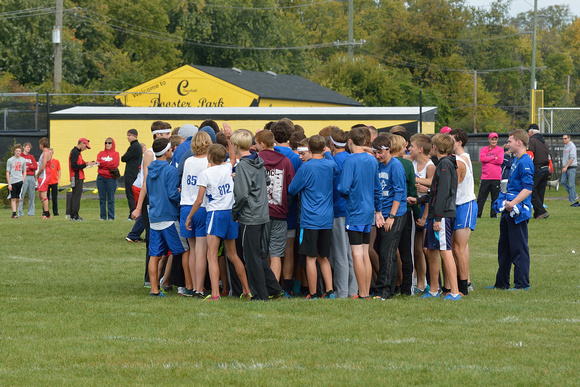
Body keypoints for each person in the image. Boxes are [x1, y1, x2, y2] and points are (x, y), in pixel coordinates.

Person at [185, 140, 252, 301]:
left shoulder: (206, 174)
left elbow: (199, 200)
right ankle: (246, 290)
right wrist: (229, 140)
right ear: (224, 157)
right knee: (233, 255)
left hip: (216, 213)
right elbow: (233, 158)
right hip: (231, 213)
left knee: (212, 255)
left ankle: (215, 293)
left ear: (209, 157)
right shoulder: (227, 167)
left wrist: (189, 217)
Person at [232, 129, 285, 300]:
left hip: (250, 216)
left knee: (251, 257)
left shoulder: (243, 166)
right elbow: (267, 181)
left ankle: (260, 294)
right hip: (263, 214)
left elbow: (241, 195)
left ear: (236, 146)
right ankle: (274, 288)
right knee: (260, 254)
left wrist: (235, 212)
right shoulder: (258, 161)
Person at [409, 134, 461, 300]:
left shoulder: (445, 164)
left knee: (445, 252)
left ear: (435, 148)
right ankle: (433, 290)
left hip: (442, 215)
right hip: (436, 214)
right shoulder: (444, 163)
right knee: (430, 250)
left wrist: (438, 219)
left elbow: (444, 193)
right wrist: (418, 199)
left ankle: (454, 292)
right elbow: (436, 192)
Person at [288, 135, 337, 299]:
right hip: (327, 218)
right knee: (324, 256)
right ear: (324, 148)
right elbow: (337, 168)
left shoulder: (306, 167)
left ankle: (314, 292)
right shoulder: (330, 164)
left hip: (309, 219)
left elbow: (292, 189)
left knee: (310, 257)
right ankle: (330, 291)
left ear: (309, 148)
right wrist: (328, 154)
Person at [339, 128, 382, 299]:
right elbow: (377, 187)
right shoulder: (371, 160)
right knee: (364, 252)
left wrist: (347, 194)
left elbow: (343, 187)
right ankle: (365, 292)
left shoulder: (350, 161)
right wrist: (378, 209)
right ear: (364, 142)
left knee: (356, 253)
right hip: (368, 210)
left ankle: (362, 293)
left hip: (355, 210)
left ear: (350, 141)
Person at [145, 137, 190, 297]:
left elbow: (149, 192)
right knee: (185, 250)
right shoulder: (170, 170)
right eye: (171, 149)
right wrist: (181, 195)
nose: (173, 151)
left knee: (155, 255)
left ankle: (154, 289)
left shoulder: (150, 169)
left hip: (154, 217)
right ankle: (188, 286)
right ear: (166, 152)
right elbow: (172, 194)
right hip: (169, 217)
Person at [489, 129, 533, 290]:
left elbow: (528, 189)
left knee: (518, 248)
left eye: (510, 141)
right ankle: (501, 283)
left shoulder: (525, 161)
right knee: (504, 248)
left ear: (519, 142)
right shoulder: (515, 160)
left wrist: (512, 203)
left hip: (517, 211)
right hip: (508, 208)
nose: (507, 144)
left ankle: (522, 284)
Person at [254, 130, 295, 284]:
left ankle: (262, 286)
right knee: (276, 254)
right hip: (280, 212)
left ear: (262, 143)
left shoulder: (256, 160)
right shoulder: (285, 161)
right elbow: (291, 187)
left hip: (259, 213)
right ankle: (275, 287)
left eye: (257, 143)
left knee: (260, 253)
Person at [371, 134, 408, 300]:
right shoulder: (377, 165)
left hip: (395, 214)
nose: (378, 155)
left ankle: (384, 291)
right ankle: (390, 287)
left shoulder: (396, 166)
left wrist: (392, 216)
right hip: (382, 214)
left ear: (389, 150)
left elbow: (399, 191)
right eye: (375, 152)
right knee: (380, 249)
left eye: (380, 152)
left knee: (387, 251)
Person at [180, 131, 212, 298]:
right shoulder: (208, 162)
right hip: (202, 207)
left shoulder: (187, 161)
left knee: (192, 250)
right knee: (201, 251)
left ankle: (191, 286)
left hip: (186, 206)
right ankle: (199, 288)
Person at [329, 127, 358, 299]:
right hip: (353, 211)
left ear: (332, 143)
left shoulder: (334, 161)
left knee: (340, 254)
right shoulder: (352, 158)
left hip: (339, 211)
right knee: (351, 253)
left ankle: (343, 292)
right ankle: (353, 290)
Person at [450, 128, 477, 296]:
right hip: (459, 205)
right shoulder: (460, 158)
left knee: (458, 248)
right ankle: (463, 281)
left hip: (465, 205)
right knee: (459, 247)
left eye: (451, 140)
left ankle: (465, 285)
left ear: (459, 142)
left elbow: (456, 185)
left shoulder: (461, 159)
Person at [408, 133, 435, 294]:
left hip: (424, 209)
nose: (409, 148)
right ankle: (418, 281)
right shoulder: (411, 161)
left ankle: (425, 282)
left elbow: (432, 184)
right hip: (413, 207)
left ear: (421, 149)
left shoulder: (430, 166)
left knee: (425, 248)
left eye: (411, 146)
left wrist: (424, 217)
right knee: (417, 249)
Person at [477, 132, 503, 218]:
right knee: (481, 198)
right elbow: (482, 158)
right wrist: (493, 158)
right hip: (485, 177)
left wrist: (488, 159)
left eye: (495, 139)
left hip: (496, 177)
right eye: (492, 139)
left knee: (495, 198)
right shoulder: (484, 149)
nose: (494, 141)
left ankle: (493, 215)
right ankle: (477, 214)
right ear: (489, 139)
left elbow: (500, 161)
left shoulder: (500, 150)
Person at [69, 138, 95, 221]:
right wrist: (85, 165)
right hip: (77, 177)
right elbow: (74, 166)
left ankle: (73, 215)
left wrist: (88, 163)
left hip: (76, 177)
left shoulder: (77, 152)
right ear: (82, 143)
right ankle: (75, 216)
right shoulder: (75, 152)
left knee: (75, 196)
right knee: (76, 197)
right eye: (86, 146)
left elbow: (79, 164)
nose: (86, 148)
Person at [527, 124, 550, 219]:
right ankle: (538, 214)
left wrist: (527, 168)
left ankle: (541, 211)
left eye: (528, 132)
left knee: (530, 190)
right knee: (540, 192)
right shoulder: (544, 141)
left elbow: (530, 155)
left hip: (537, 168)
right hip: (545, 168)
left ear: (531, 132)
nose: (528, 134)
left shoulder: (532, 140)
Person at [97, 137, 120, 220]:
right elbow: (98, 163)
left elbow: (115, 165)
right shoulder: (100, 153)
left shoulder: (116, 154)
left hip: (111, 179)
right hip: (101, 178)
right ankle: (102, 217)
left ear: (112, 144)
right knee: (102, 199)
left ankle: (111, 217)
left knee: (111, 199)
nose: (107, 144)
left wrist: (103, 164)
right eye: (106, 143)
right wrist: (108, 164)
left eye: (109, 143)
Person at [121, 129, 142, 219]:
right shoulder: (136, 146)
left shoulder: (134, 147)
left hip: (131, 173)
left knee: (130, 194)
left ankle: (132, 214)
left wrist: (125, 155)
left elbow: (123, 158)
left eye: (129, 135)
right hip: (134, 172)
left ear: (135, 136)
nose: (128, 137)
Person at [6, 144, 27, 219]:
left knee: (18, 198)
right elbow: (8, 172)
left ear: (21, 152)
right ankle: (14, 213)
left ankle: (16, 212)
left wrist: (23, 179)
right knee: (13, 198)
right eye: (16, 151)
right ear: (14, 151)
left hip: (19, 180)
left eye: (19, 151)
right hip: (12, 180)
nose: (18, 152)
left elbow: (24, 170)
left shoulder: (23, 160)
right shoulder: (10, 160)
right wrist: (9, 183)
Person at [17, 142, 37, 217]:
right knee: (21, 194)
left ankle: (31, 212)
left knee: (31, 195)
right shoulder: (20, 156)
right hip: (23, 176)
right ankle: (20, 212)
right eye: (27, 147)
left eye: (29, 148)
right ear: (24, 147)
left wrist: (28, 167)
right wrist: (28, 167)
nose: (28, 149)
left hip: (31, 176)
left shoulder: (31, 156)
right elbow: (21, 167)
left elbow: (35, 166)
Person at [36, 137, 52, 219]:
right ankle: (47, 212)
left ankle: (46, 214)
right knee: (40, 194)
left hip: (45, 174)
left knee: (43, 194)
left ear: (42, 145)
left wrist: (37, 174)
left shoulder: (46, 152)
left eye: (40, 144)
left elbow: (43, 166)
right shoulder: (43, 153)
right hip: (42, 175)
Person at [561, 134, 578, 207]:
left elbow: (572, 158)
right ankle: (574, 195)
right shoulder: (565, 146)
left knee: (571, 184)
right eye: (563, 139)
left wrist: (566, 167)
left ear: (569, 138)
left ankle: (571, 200)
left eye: (565, 138)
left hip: (571, 167)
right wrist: (564, 166)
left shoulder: (572, 146)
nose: (564, 140)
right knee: (563, 182)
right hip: (566, 167)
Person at [47, 148, 61, 216]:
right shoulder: (45, 161)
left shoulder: (56, 161)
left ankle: (55, 212)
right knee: (46, 198)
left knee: (54, 198)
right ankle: (46, 212)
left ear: (52, 153)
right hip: (47, 182)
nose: (49, 154)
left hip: (54, 181)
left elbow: (59, 170)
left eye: (50, 153)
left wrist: (58, 179)